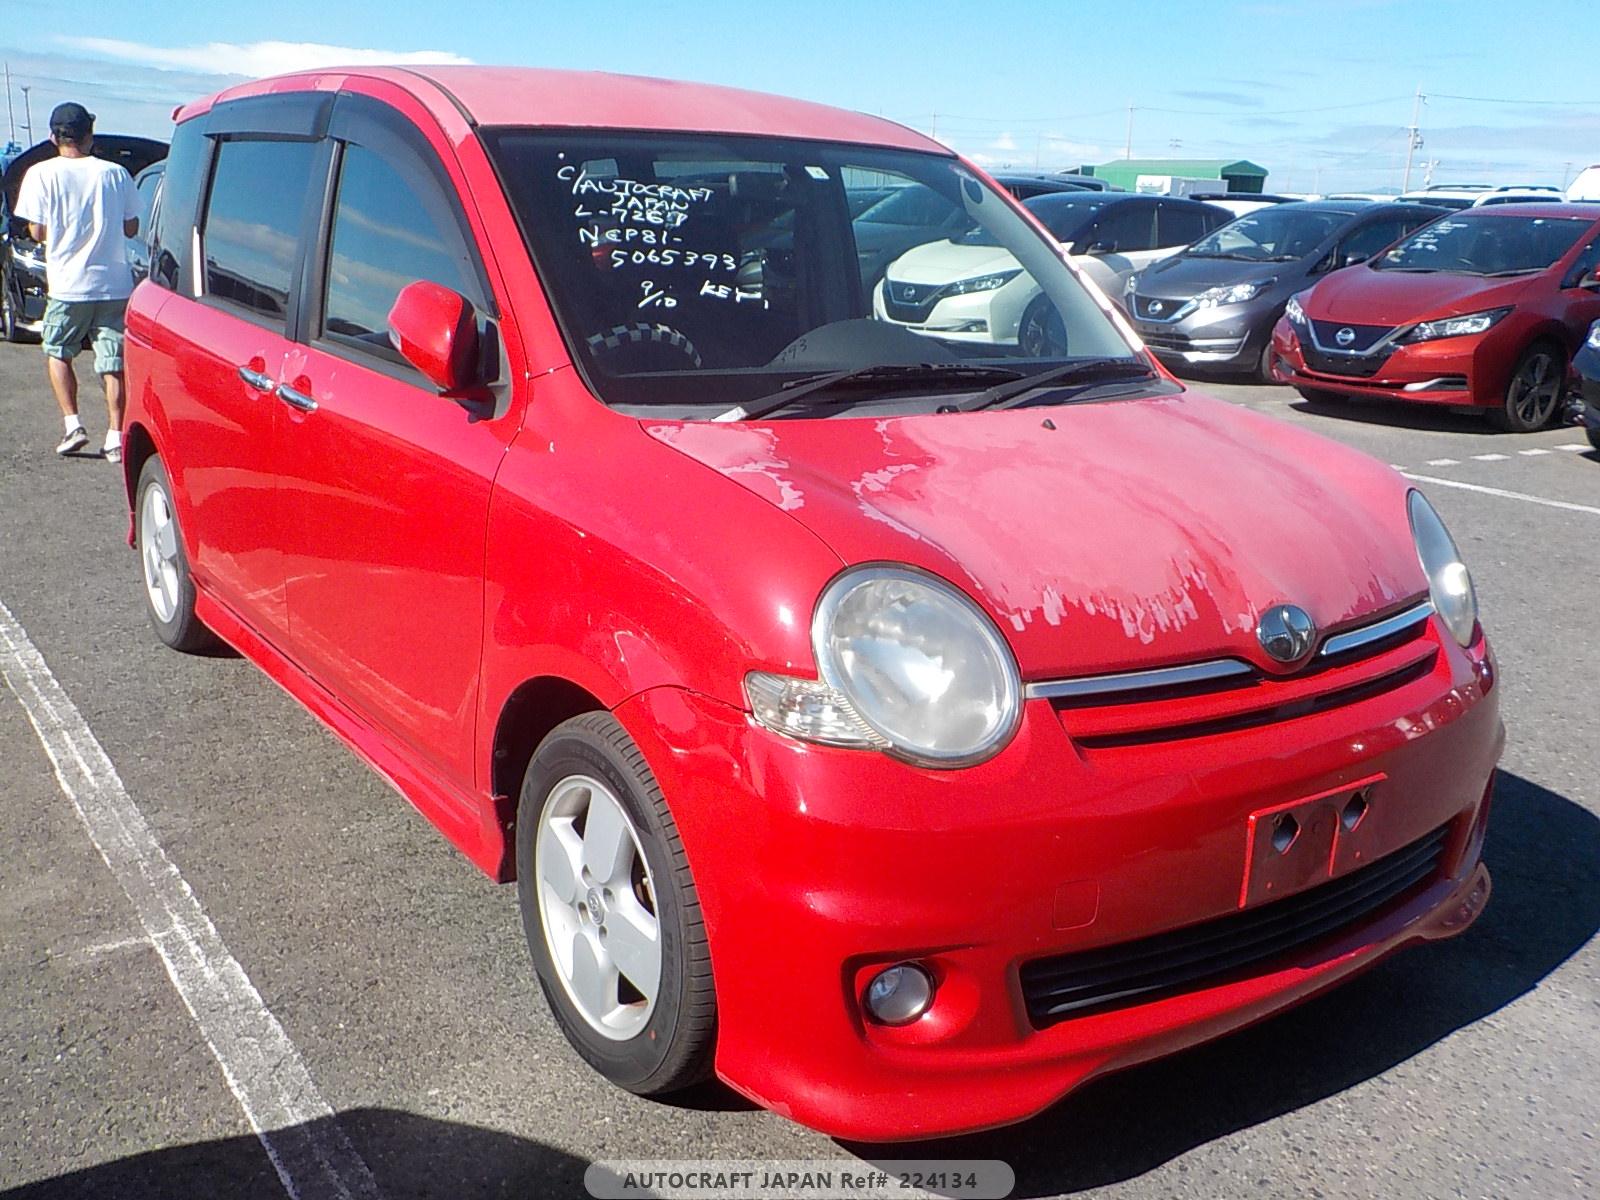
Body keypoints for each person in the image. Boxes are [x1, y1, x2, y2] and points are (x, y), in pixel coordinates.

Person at [13, 102, 139, 463]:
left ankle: (73, 425)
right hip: (115, 283)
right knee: (112, 361)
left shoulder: (40, 174)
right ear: (90, 134)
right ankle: (115, 435)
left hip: (68, 282)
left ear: (54, 137)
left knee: (57, 351)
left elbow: (37, 231)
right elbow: (132, 228)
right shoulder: (116, 173)